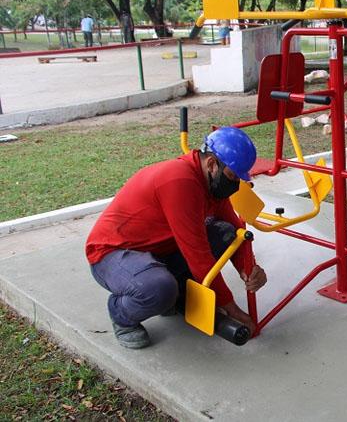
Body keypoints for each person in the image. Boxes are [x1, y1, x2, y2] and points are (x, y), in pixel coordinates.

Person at [85, 127, 267, 349]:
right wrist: (230, 307)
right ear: (211, 164)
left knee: (225, 233)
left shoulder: (212, 183)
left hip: (158, 249)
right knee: (159, 288)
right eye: (232, 176)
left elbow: (237, 232)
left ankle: (176, 293)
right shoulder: (179, 181)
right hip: (112, 254)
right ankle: (121, 315)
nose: (235, 184)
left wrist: (249, 269)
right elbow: (197, 254)